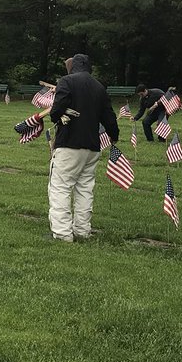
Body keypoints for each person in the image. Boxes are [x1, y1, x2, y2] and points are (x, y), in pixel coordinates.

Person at [47, 54, 121, 241]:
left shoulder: (66, 81)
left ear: (72, 67)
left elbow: (56, 111)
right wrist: (114, 136)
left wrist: (56, 116)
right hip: (92, 147)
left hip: (69, 143)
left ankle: (62, 233)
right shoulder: (99, 87)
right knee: (85, 189)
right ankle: (82, 230)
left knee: (61, 188)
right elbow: (109, 118)